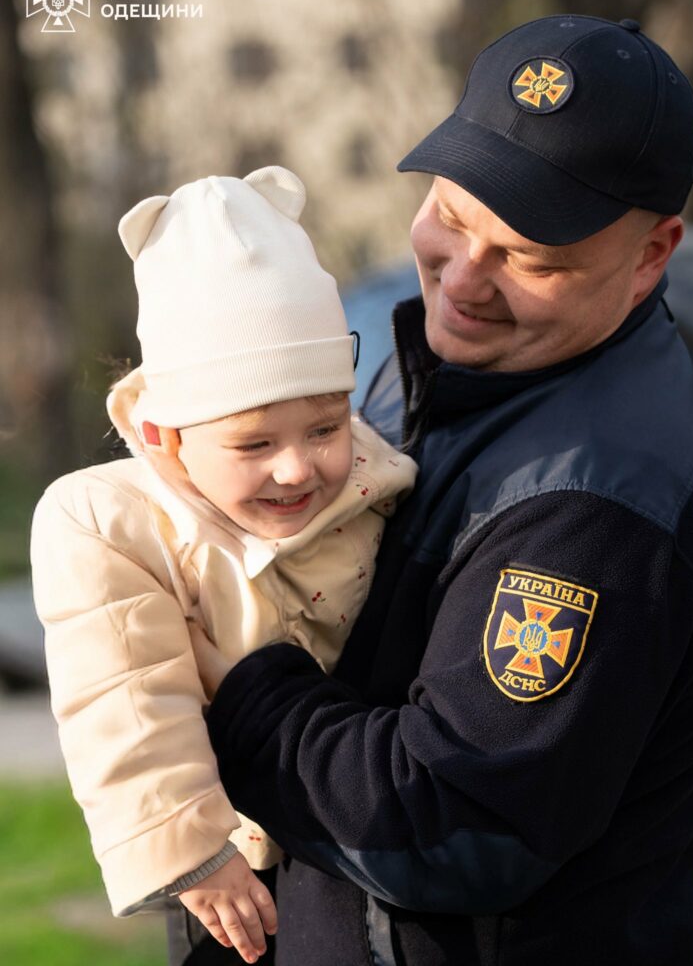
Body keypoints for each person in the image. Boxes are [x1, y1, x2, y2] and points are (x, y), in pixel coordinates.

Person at [189, 16, 693, 965]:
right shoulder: (437, 371)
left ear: (652, 254)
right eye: (451, 212)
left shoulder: (596, 503)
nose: (464, 281)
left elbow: (447, 823)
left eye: (531, 258)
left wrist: (223, 680)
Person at [29, 166, 416, 965]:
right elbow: (126, 702)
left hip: (355, 834)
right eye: (254, 444)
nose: (296, 469)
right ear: (167, 435)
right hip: (228, 865)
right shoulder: (117, 523)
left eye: (323, 427)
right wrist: (190, 852)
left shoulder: (383, 483)